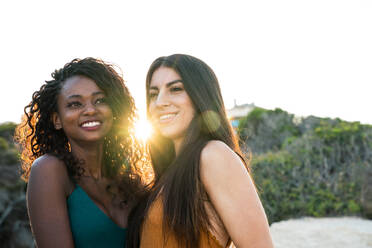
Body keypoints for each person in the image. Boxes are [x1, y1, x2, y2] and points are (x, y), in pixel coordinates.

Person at [127, 54, 274, 248]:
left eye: (175, 89)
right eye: (154, 94)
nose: (160, 102)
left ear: (200, 96)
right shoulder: (169, 172)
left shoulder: (213, 155)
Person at [15, 58, 145, 248]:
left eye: (100, 100)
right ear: (57, 120)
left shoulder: (130, 183)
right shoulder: (49, 170)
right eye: (75, 104)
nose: (90, 110)